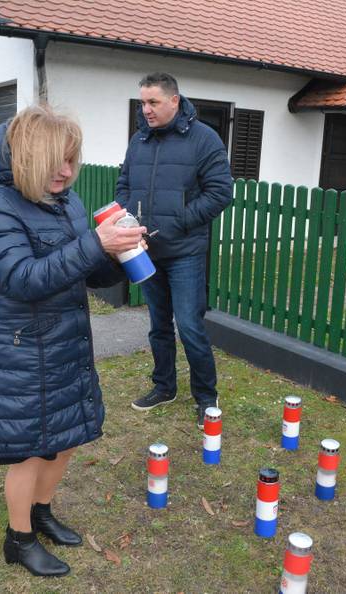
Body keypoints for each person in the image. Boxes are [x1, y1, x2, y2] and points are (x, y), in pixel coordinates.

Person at [0, 105, 145, 576]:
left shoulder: (65, 201)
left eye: (72, 160)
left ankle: (41, 512)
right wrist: (94, 244)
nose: (67, 171)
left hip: (65, 343)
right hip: (21, 350)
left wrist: (120, 254)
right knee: (29, 451)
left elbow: (80, 266)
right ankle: (18, 538)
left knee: (65, 438)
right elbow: (21, 278)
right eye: (56, 160)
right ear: (28, 157)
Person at [117, 72, 233, 428]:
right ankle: (164, 386)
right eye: (142, 102)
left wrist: (179, 221)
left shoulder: (204, 139)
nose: (146, 109)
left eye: (153, 102)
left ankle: (206, 397)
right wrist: (126, 219)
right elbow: (124, 183)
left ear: (174, 101)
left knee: (189, 325)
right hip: (146, 250)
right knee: (158, 326)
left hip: (185, 251)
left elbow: (220, 192)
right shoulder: (139, 140)